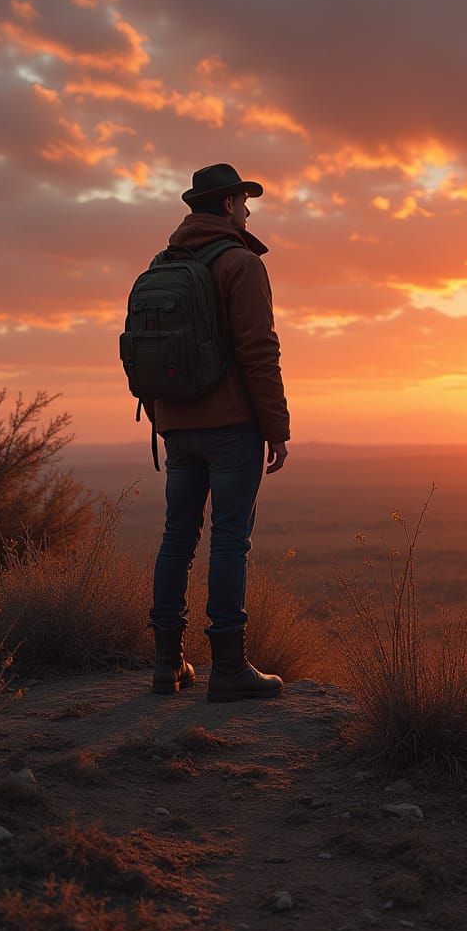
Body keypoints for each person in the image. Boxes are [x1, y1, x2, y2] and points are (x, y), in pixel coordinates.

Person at [147, 163, 290, 703]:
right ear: (227, 205)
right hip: (231, 427)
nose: (249, 211)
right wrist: (276, 427)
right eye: (243, 202)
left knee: (177, 538)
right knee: (230, 539)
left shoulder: (164, 262)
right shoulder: (239, 263)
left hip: (176, 425)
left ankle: (167, 665)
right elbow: (259, 351)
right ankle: (227, 669)